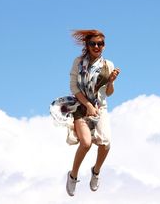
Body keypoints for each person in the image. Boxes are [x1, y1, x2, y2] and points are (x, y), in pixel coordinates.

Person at [66, 29, 121, 196]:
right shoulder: (79, 62)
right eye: (93, 44)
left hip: (100, 107)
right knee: (86, 143)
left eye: (100, 44)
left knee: (106, 143)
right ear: (87, 45)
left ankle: (96, 171)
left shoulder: (107, 65)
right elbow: (74, 87)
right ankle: (73, 175)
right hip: (80, 106)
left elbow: (108, 92)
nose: (97, 46)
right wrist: (88, 105)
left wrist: (110, 82)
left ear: (104, 46)